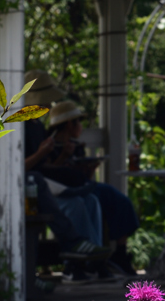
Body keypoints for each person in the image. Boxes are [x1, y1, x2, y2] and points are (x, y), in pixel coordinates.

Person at [41, 100, 141, 276]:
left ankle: (117, 252)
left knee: (117, 201)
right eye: (78, 122)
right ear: (69, 124)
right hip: (63, 191)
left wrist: (89, 169)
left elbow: (81, 177)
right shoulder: (49, 146)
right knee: (85, 202)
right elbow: (50, 173)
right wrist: (64, 155)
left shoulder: (76, 145)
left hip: (82, 187)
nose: (81, 126)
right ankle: (86, 258)